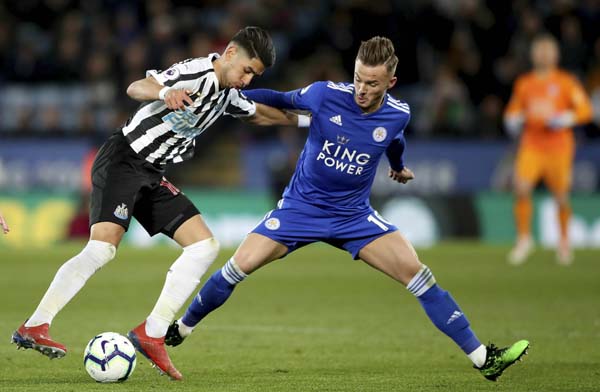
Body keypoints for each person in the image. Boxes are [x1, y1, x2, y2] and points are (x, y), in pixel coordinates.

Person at [165, 37, 529, 382]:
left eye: (372, 82)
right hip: (300, 209)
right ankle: (181, 329)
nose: (362, 88)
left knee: (418, 275)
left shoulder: (398, 114)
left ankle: (484, 359)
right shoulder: (325, 94)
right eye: (358, 78)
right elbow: (277, 98)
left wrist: (398, 166)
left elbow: (395, 140)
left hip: (354, 216)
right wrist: (225, 95)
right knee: (237, 268)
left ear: (391, 82)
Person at [11, 26, 308, 381]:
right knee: (102, 249)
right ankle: (35, 325)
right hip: (124, 159)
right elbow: (136, 87)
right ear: (230, 53)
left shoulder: (228, 93)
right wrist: (167, 92)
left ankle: (152, 333)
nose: (246, 80)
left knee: (204, 246)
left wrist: (312, 120)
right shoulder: (195, 72)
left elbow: (260, 113)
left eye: (253, 76)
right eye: (246, 70)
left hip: (152, 173)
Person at [504, 34, 592, 265]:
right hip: (532, 144)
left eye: (547, 50)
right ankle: (524, 239)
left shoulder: (566, 82)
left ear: (556, 54)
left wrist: (567, 118)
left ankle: (564, 243)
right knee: (521, 188)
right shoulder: (524, 83)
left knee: (561, 196)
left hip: (559, 147)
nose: (543, 54)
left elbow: (585, 110)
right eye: (539, 50)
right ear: (533, 54)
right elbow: (512, 112)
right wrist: (513, 119)